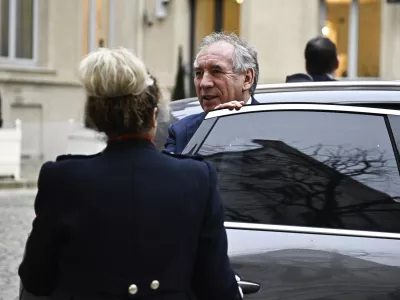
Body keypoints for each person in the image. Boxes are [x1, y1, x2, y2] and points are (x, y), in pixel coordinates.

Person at [18, 47, 242, 300]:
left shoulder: (62, 180)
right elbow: (217, 286)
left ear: (96, 117)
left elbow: (36, 278)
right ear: (154, 116)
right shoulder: (197, 178)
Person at [164, 32, 259, 154]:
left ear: (247, 79)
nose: (204, 83)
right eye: (198, 73)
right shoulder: (182, 131)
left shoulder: (276, 125)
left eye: (216, 71)